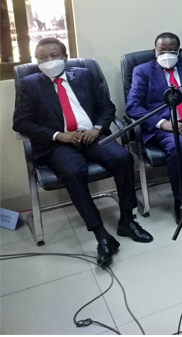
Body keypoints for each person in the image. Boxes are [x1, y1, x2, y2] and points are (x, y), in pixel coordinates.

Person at [13, 37, 153, 267]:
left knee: (123, 158)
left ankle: (127, 220)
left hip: (92, 136)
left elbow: (107, 107)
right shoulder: (29, 84)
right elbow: (21, 122)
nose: (49, 61)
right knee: (73, 171)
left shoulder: (84, 75)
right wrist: (59, 135)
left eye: (54, 56)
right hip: (58, 144)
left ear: (65, 57)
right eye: (42, 58)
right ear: (35, 61)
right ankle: (102, 236)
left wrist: (97, 128)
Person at [126, 32, 182, 228]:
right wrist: (162, 123)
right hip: (163, 126)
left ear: (179, 52)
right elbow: (133, 106)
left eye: (171, 51)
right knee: (180, 147)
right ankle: (180, 202)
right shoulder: (142, 71)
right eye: (161, 50)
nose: (166, 54)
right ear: (154, 51)